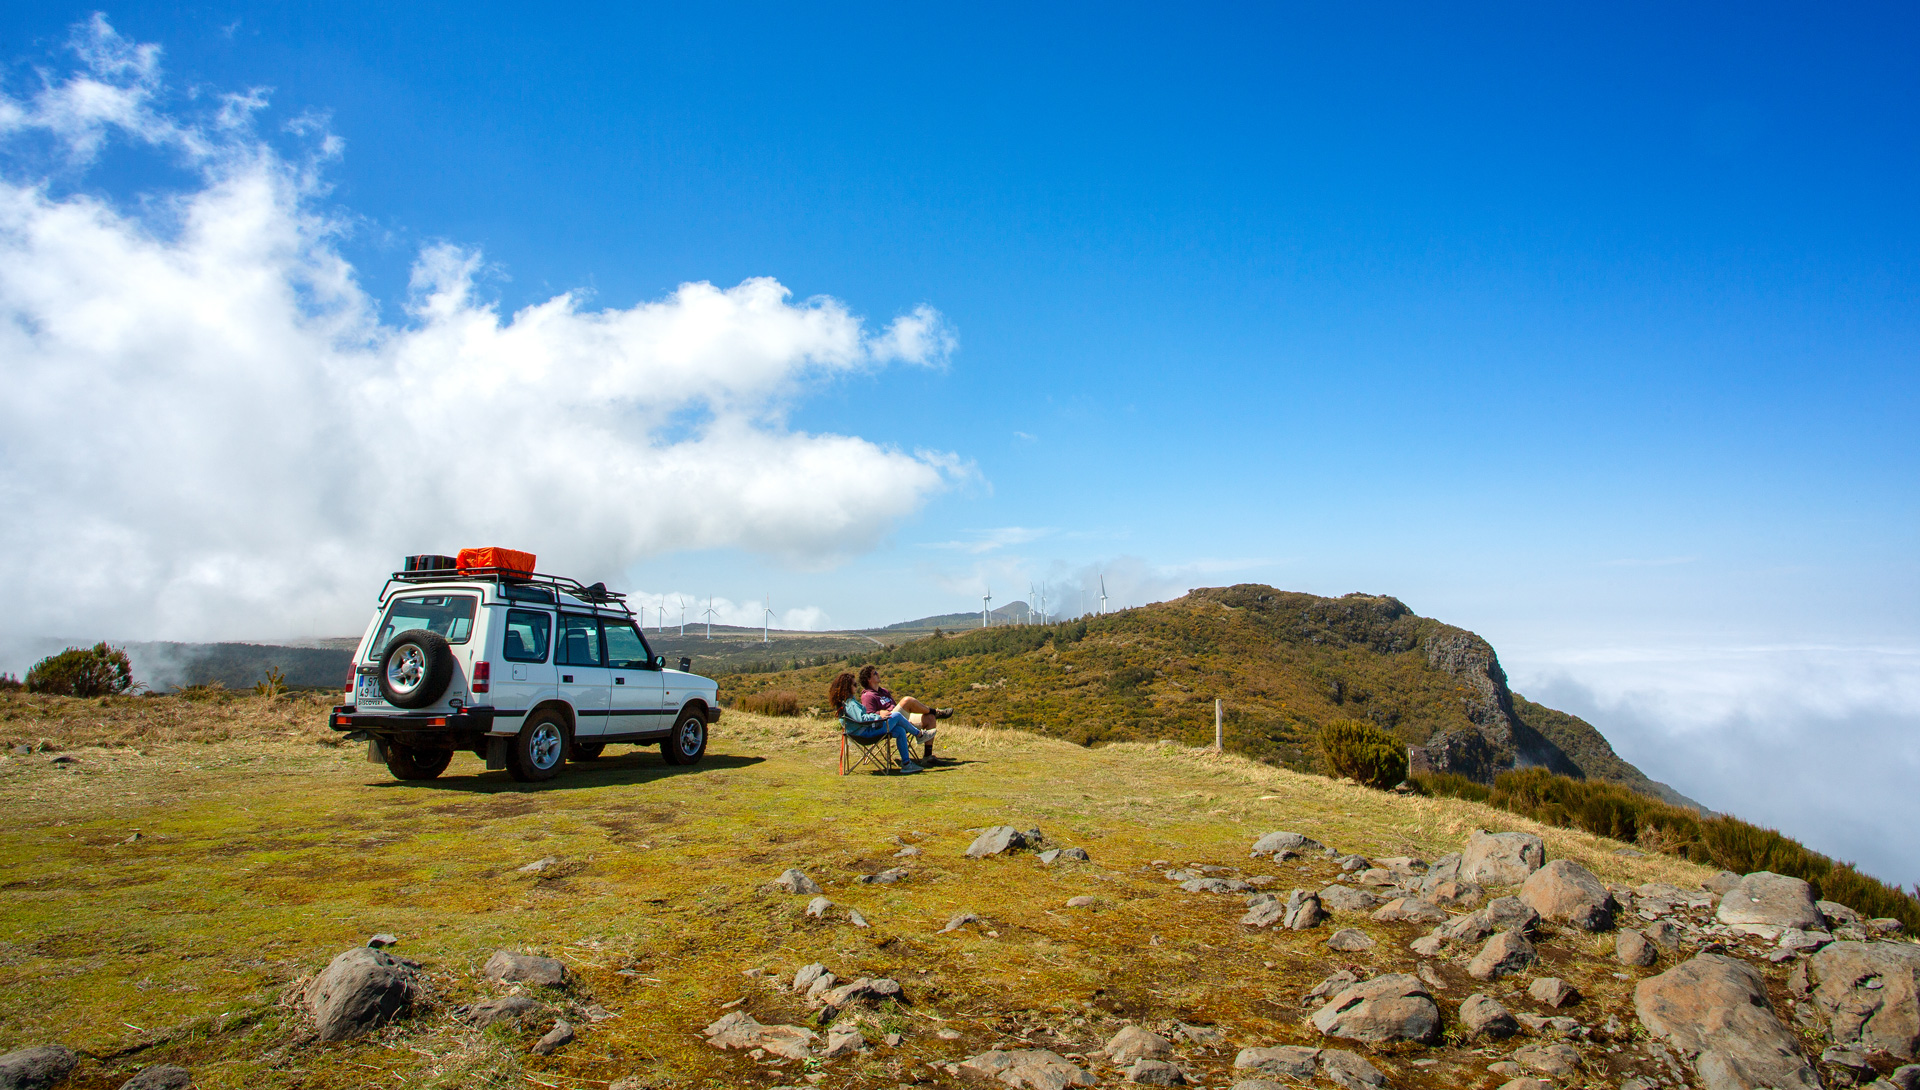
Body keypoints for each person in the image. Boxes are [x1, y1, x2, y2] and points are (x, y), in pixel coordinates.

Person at [829, 671, 930, 774]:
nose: (856, 687)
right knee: (897, 716)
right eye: (854, 685)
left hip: (858, 733)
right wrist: (878, 716)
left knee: (899, 730)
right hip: (865, 734)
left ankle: (906, 764)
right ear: (847, 688)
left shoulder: (845, 702)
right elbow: (861, 719)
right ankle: (920, 735)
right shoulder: (850, 703)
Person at [858, 665, 952, 762]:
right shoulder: (868, 696)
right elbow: (868, 715)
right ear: (869, 679)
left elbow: (894, 706)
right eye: (875, 673)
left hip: (898, 718)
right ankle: (936, 712)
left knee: (930, 718)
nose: (878, 674)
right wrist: (879, 712)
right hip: (887, 723)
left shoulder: (884, 691)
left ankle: (928, 757)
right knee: (907, 701)